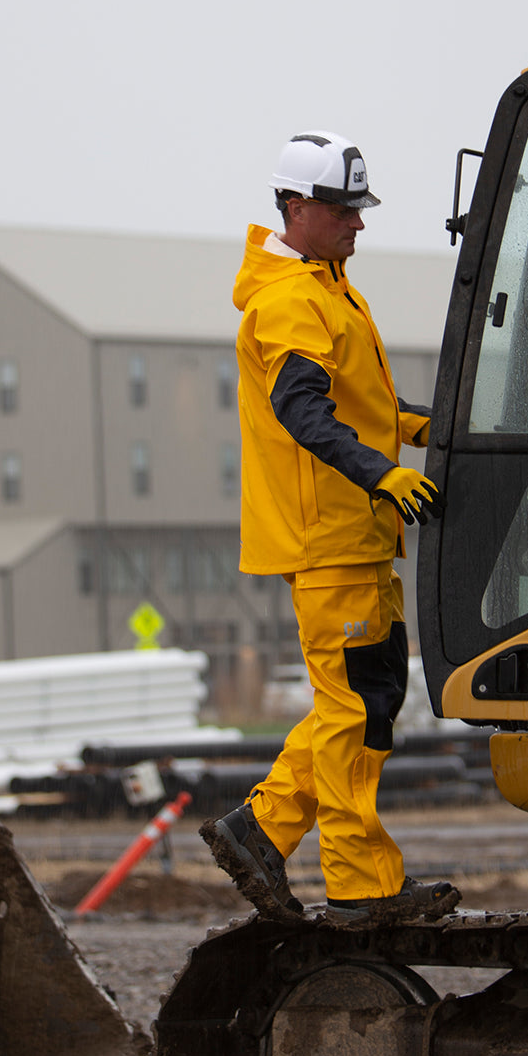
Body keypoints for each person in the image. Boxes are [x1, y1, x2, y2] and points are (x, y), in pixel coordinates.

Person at [199, 131, 460, 928]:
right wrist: (384, 473)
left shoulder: (328, 285)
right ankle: (360, 885)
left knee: (365, 697)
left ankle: (263, 829)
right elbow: (304, 411)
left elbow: (363, 409)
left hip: (358, 535)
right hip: (328, 539)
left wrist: (437, 432)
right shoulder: (290, 300)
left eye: (360, 209)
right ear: (298, 206)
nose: (359, 224)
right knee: (353, 710)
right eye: (345, 209)